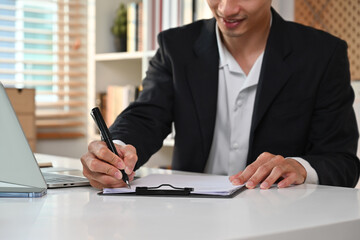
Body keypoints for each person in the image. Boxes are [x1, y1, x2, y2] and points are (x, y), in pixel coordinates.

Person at [81, 0, 360, 190]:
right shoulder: (175, 47)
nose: (226, 8)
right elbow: (146, 115)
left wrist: (299, 168)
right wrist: (115, 150)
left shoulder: (322, 54)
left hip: (279, 220)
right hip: (192, 220)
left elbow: (342, 162)